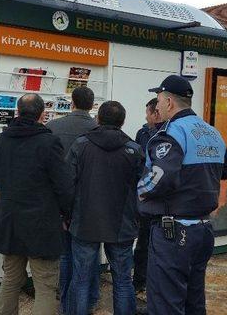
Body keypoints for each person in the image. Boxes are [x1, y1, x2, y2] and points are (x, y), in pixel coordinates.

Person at [138, 75, 227, 315]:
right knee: (194, 301)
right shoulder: (211, 131)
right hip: (202, 231)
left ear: (169, 102)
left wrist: (140, 191)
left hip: (173, 232)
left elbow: (161, 177)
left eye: (159, 100)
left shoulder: (172, 132)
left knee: (165, 304)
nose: (157, 106)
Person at [0, 94, 74, 315]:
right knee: (45, 284)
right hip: (42, 224)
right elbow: (63, 187)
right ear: (42, 115)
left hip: (8, 221)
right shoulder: (50, 142)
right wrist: (67, 215)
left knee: (11, 278)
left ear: (17, 112)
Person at [66, 101, 143, 315]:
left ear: (98, 119)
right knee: (123, 280)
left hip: (84, 222)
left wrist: (66, 215)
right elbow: (144, 188)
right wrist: (136, 216)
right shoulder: (134, 150)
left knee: (80, 279)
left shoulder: (81, 145)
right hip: (122, 224)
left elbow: (67, 184)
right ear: (123, 121)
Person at [45, 86, 100, 314]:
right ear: (92, 104)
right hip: (91, 205)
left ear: (72, 103)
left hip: (59, 202)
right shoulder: (98, 129)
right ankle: (90, 298)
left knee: (66, 253)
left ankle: (66, 299)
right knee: (90, 255)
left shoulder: (52, 127)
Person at [133, 97, 162, 294]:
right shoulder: (142, 133)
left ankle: (155, 284)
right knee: (142, 243)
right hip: (144, 199)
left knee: (159, 247)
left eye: (148, 112)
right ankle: (138, 281)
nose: (145, 115)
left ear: (155, 113)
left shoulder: (168, 135)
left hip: (161, 200)